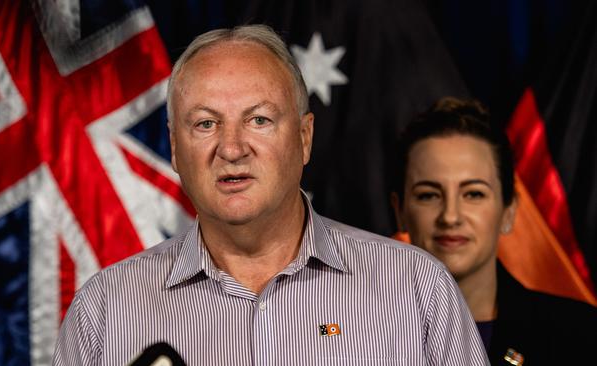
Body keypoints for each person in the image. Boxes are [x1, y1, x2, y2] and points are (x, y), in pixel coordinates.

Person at [53, 25, 488, 365]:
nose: (232, 147)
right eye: (205, 124)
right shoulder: (106, 310)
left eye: (259, 120)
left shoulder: (415, 289)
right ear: (174, 148)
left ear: (304, 138)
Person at [390, 97, 597, 365]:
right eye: (429, 195)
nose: (450, 216)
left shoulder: (582, 336)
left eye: (474, 193)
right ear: (400, 211)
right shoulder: (354, 327)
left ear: (508, 211)